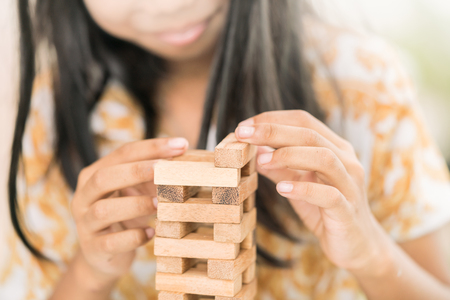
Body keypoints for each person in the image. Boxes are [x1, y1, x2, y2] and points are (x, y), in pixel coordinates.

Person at [2, 0, 450, 299]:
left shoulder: (364, 83)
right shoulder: (51, 107)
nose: (168, 6)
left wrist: (369, 253)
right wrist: (91, 272)